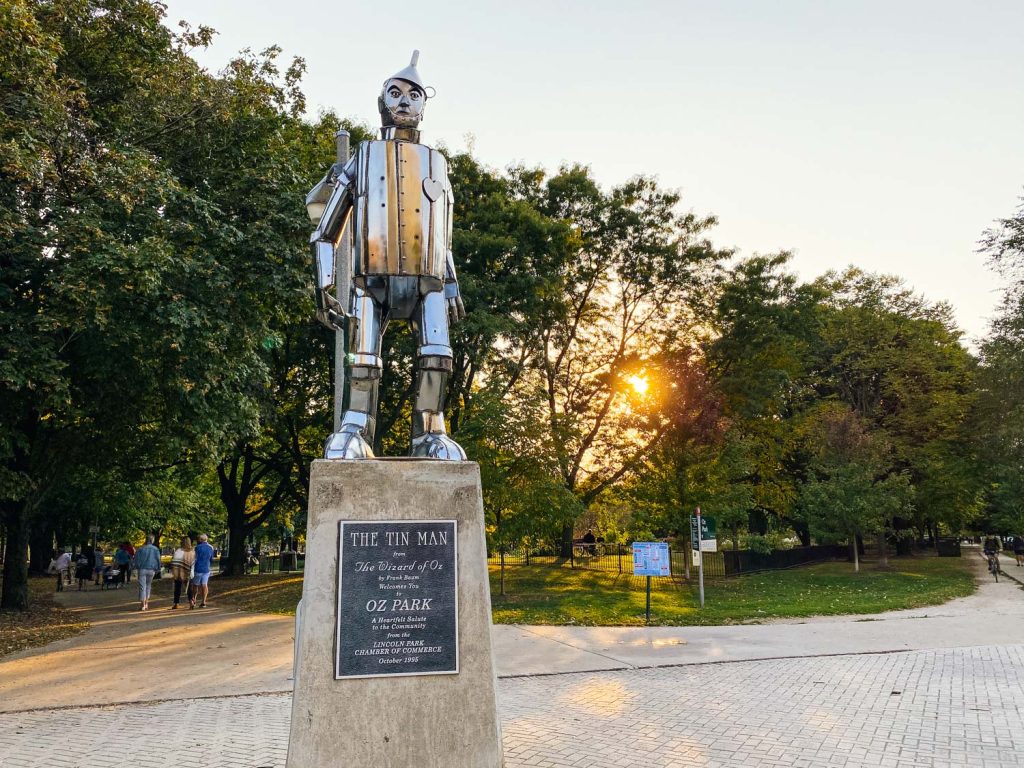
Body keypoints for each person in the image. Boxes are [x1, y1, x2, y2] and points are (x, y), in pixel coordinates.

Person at [133, 535, 161, 611]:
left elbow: (136, 560)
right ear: (152, 541)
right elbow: (158, 560)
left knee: (142, 587)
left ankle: (142, 604)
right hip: (151, 570)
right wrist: (158, 568)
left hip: (142, 569)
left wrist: (136, 567)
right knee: (148, 586)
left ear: (146, 540)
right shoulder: (156, 549)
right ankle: (146, 603)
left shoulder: (140, 549)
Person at [169, 537, 195, 609]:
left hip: (179, 572)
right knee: (189, 588)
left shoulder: (178, 551)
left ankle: (176, 603)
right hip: (189, 572)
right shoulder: (192, 551)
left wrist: (174, 571)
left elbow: (174, 562)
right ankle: (191, 602)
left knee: (178, 588)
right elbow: (193, 562)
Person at [191, 533, 215, 608]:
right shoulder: (211, 547)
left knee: (195, 585)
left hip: (197, 569)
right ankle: (203, 602)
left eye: (198, 539)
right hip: (206, 569)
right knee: (204, 585)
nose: (197, 540)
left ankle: (194, 599)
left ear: (201, 540)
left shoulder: (196, 548)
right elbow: (211, 559)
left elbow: (193, 559)